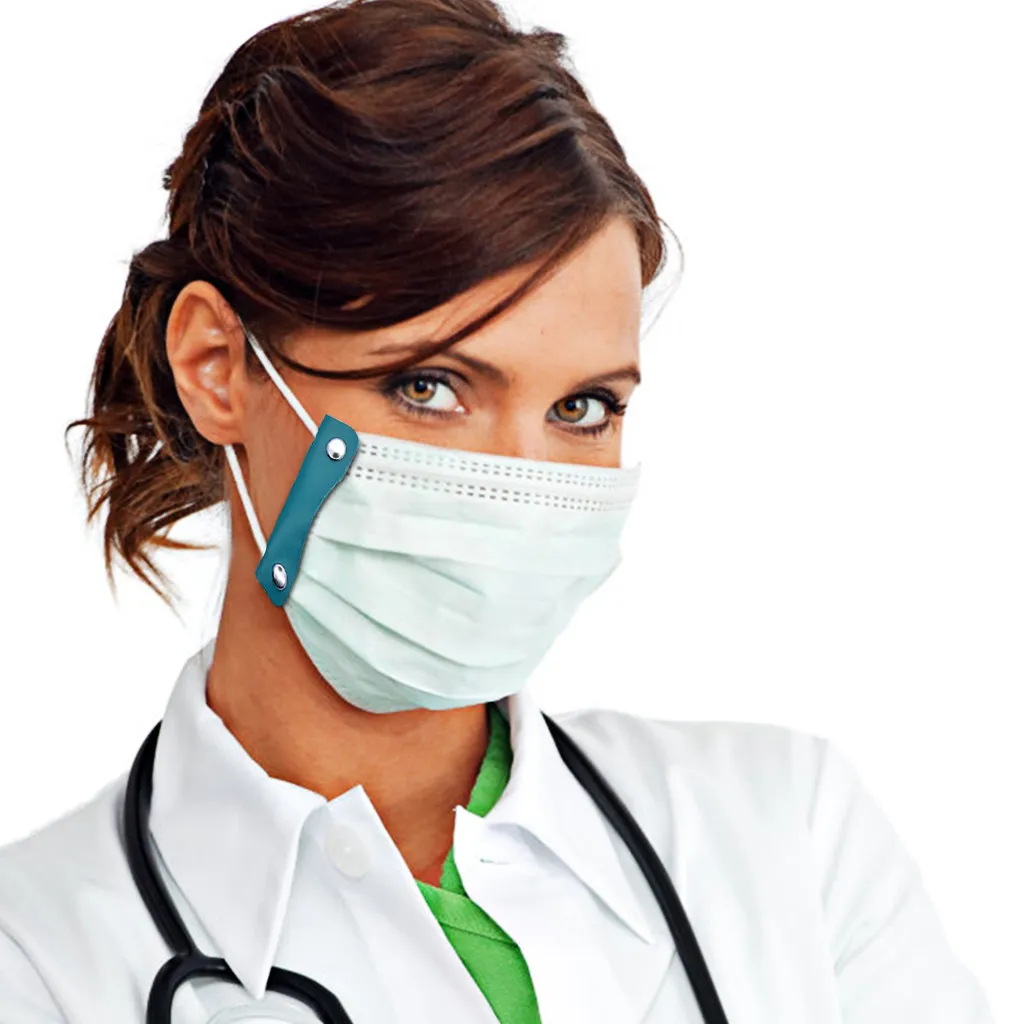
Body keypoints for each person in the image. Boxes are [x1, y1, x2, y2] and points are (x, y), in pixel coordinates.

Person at [0, 1, 995, 1022]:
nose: (519, 489)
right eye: (430, 386)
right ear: (217, 366)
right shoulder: (36, 961)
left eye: (582, 408)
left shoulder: (790, 840)